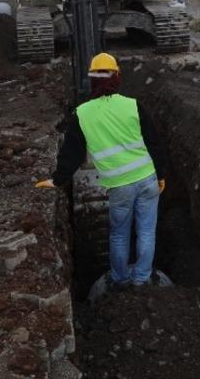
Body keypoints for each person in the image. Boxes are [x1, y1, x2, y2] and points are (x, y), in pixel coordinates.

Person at [42, 53, 167, 288]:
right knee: (147, 232)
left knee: (119, 234)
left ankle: (119, 279)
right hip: (147, 179)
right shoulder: (133, 105)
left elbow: (72, 153)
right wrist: (160, 175)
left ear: (92, 80)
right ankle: (141, 279)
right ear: (117, 77)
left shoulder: (83, 113)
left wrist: (58, 180)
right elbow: (154, 143)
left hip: (120, 185)